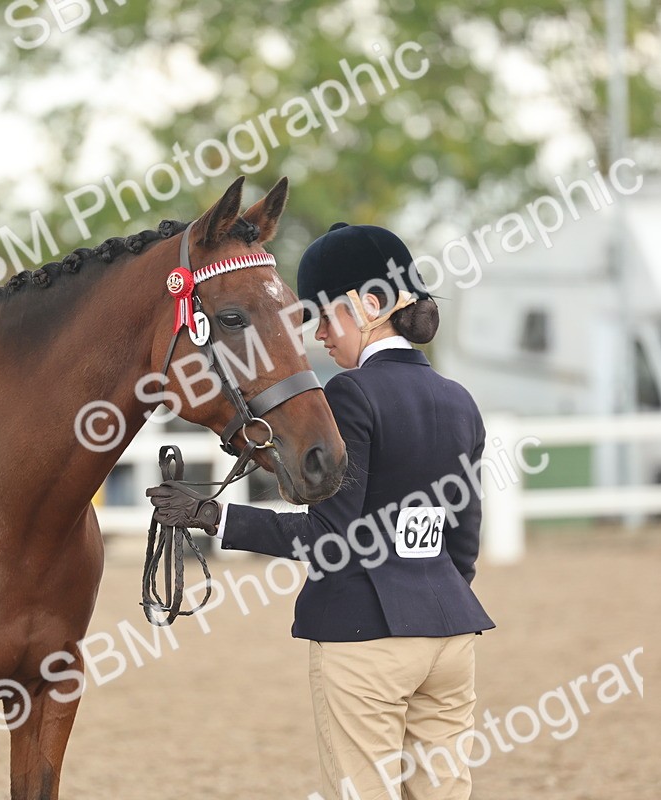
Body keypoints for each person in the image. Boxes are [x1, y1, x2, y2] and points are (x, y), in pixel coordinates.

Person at [147, 222, 494, 800]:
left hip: (365, 635)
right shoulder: (460, 401)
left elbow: (329, 536)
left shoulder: (351, 395)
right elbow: (464, 537)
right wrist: (431, 598)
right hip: (452, 634)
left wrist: (214, 518)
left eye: (326, 318)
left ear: (373, 306)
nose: (320, 337)